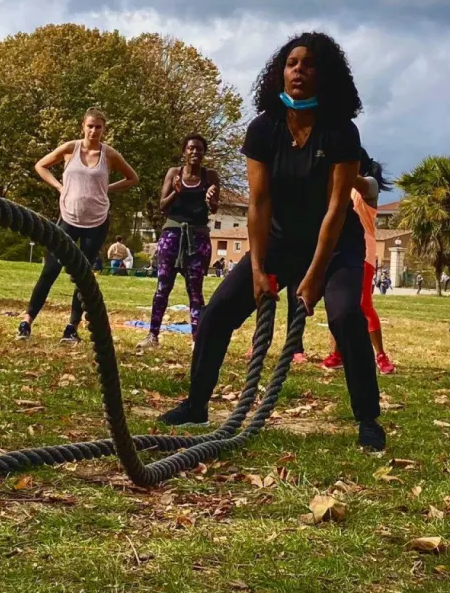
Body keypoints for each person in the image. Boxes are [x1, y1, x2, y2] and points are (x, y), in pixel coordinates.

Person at [157, 32, 386, 451]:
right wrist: (259, 269)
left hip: (336, 245)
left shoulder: (341, 131)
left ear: (325, 75)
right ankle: (196, 404)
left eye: (309, 65)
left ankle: (368, 418)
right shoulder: (264, 128)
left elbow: (336, 209)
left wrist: (314, 276)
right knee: (217, 313)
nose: (299, 71)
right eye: (292, 63)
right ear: (280, 72)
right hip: (280, 240)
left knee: (345, 315)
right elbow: (259, 204)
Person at [18, 108, 138, 343]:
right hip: (68, 218)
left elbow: (133, 178)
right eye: (90, 126)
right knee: (50, 269)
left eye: (98, 127)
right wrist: (59, 187)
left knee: (82, 276)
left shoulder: (109, 154)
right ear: (83, 126)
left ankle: (71, 327)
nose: (94, 131)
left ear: (104, 129)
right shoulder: (70, 148)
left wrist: (107, 189)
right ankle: (27, 320)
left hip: (96, 222)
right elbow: (41, 165)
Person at [136, 135, 220, 352]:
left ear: (204, 153)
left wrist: (210, 199)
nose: (195, 152)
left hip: (198, 238)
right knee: (163, 286)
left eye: (199, 149)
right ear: (184, 152)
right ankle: (153, 335)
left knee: (195, 290)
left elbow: (214, 208)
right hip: (172, 236)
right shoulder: (174, 173)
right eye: (191, 148)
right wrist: (176, 191)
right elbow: (162, 206)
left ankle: (196, 340)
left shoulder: (210, 176)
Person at [321, 151, 395, 375]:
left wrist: (329, 163)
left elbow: (352, 179)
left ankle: (380, 355)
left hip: (363, 253)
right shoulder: (340, 186)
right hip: (340, 250)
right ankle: (337, 354)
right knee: (337, 304)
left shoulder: (369, 185)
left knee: (364, 305)